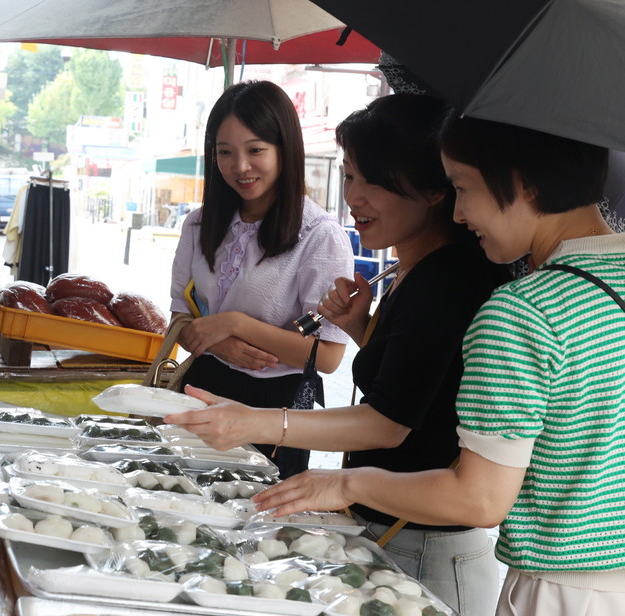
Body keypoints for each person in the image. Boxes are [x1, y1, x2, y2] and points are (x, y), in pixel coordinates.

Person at [251, 114, 625, 615]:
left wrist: (342, 483)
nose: (459, 211)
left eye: (463, 188)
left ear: (521, 183)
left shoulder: (525, 310)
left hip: (562, 591)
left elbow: (479, 500)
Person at [168, 94, 512, 616]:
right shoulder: (412, 269)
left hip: (426, 548)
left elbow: (390, 423)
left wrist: (254, 424)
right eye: (349, 177)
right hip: (396, 532)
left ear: (432, 191)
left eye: (371, 181)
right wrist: (361, 328)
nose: (354, 197)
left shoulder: (446, 278)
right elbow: (421, 386)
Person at [169, 80, 354, 478]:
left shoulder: (319, 235)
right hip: (201, 389)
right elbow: (180, 320)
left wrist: (236, 325)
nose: (240, 167)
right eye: (225, 152)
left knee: (255, 525)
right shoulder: (198, 224)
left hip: (275, 410)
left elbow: (328, 356)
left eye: (255, 150)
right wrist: (221, 345)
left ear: (285, 150)